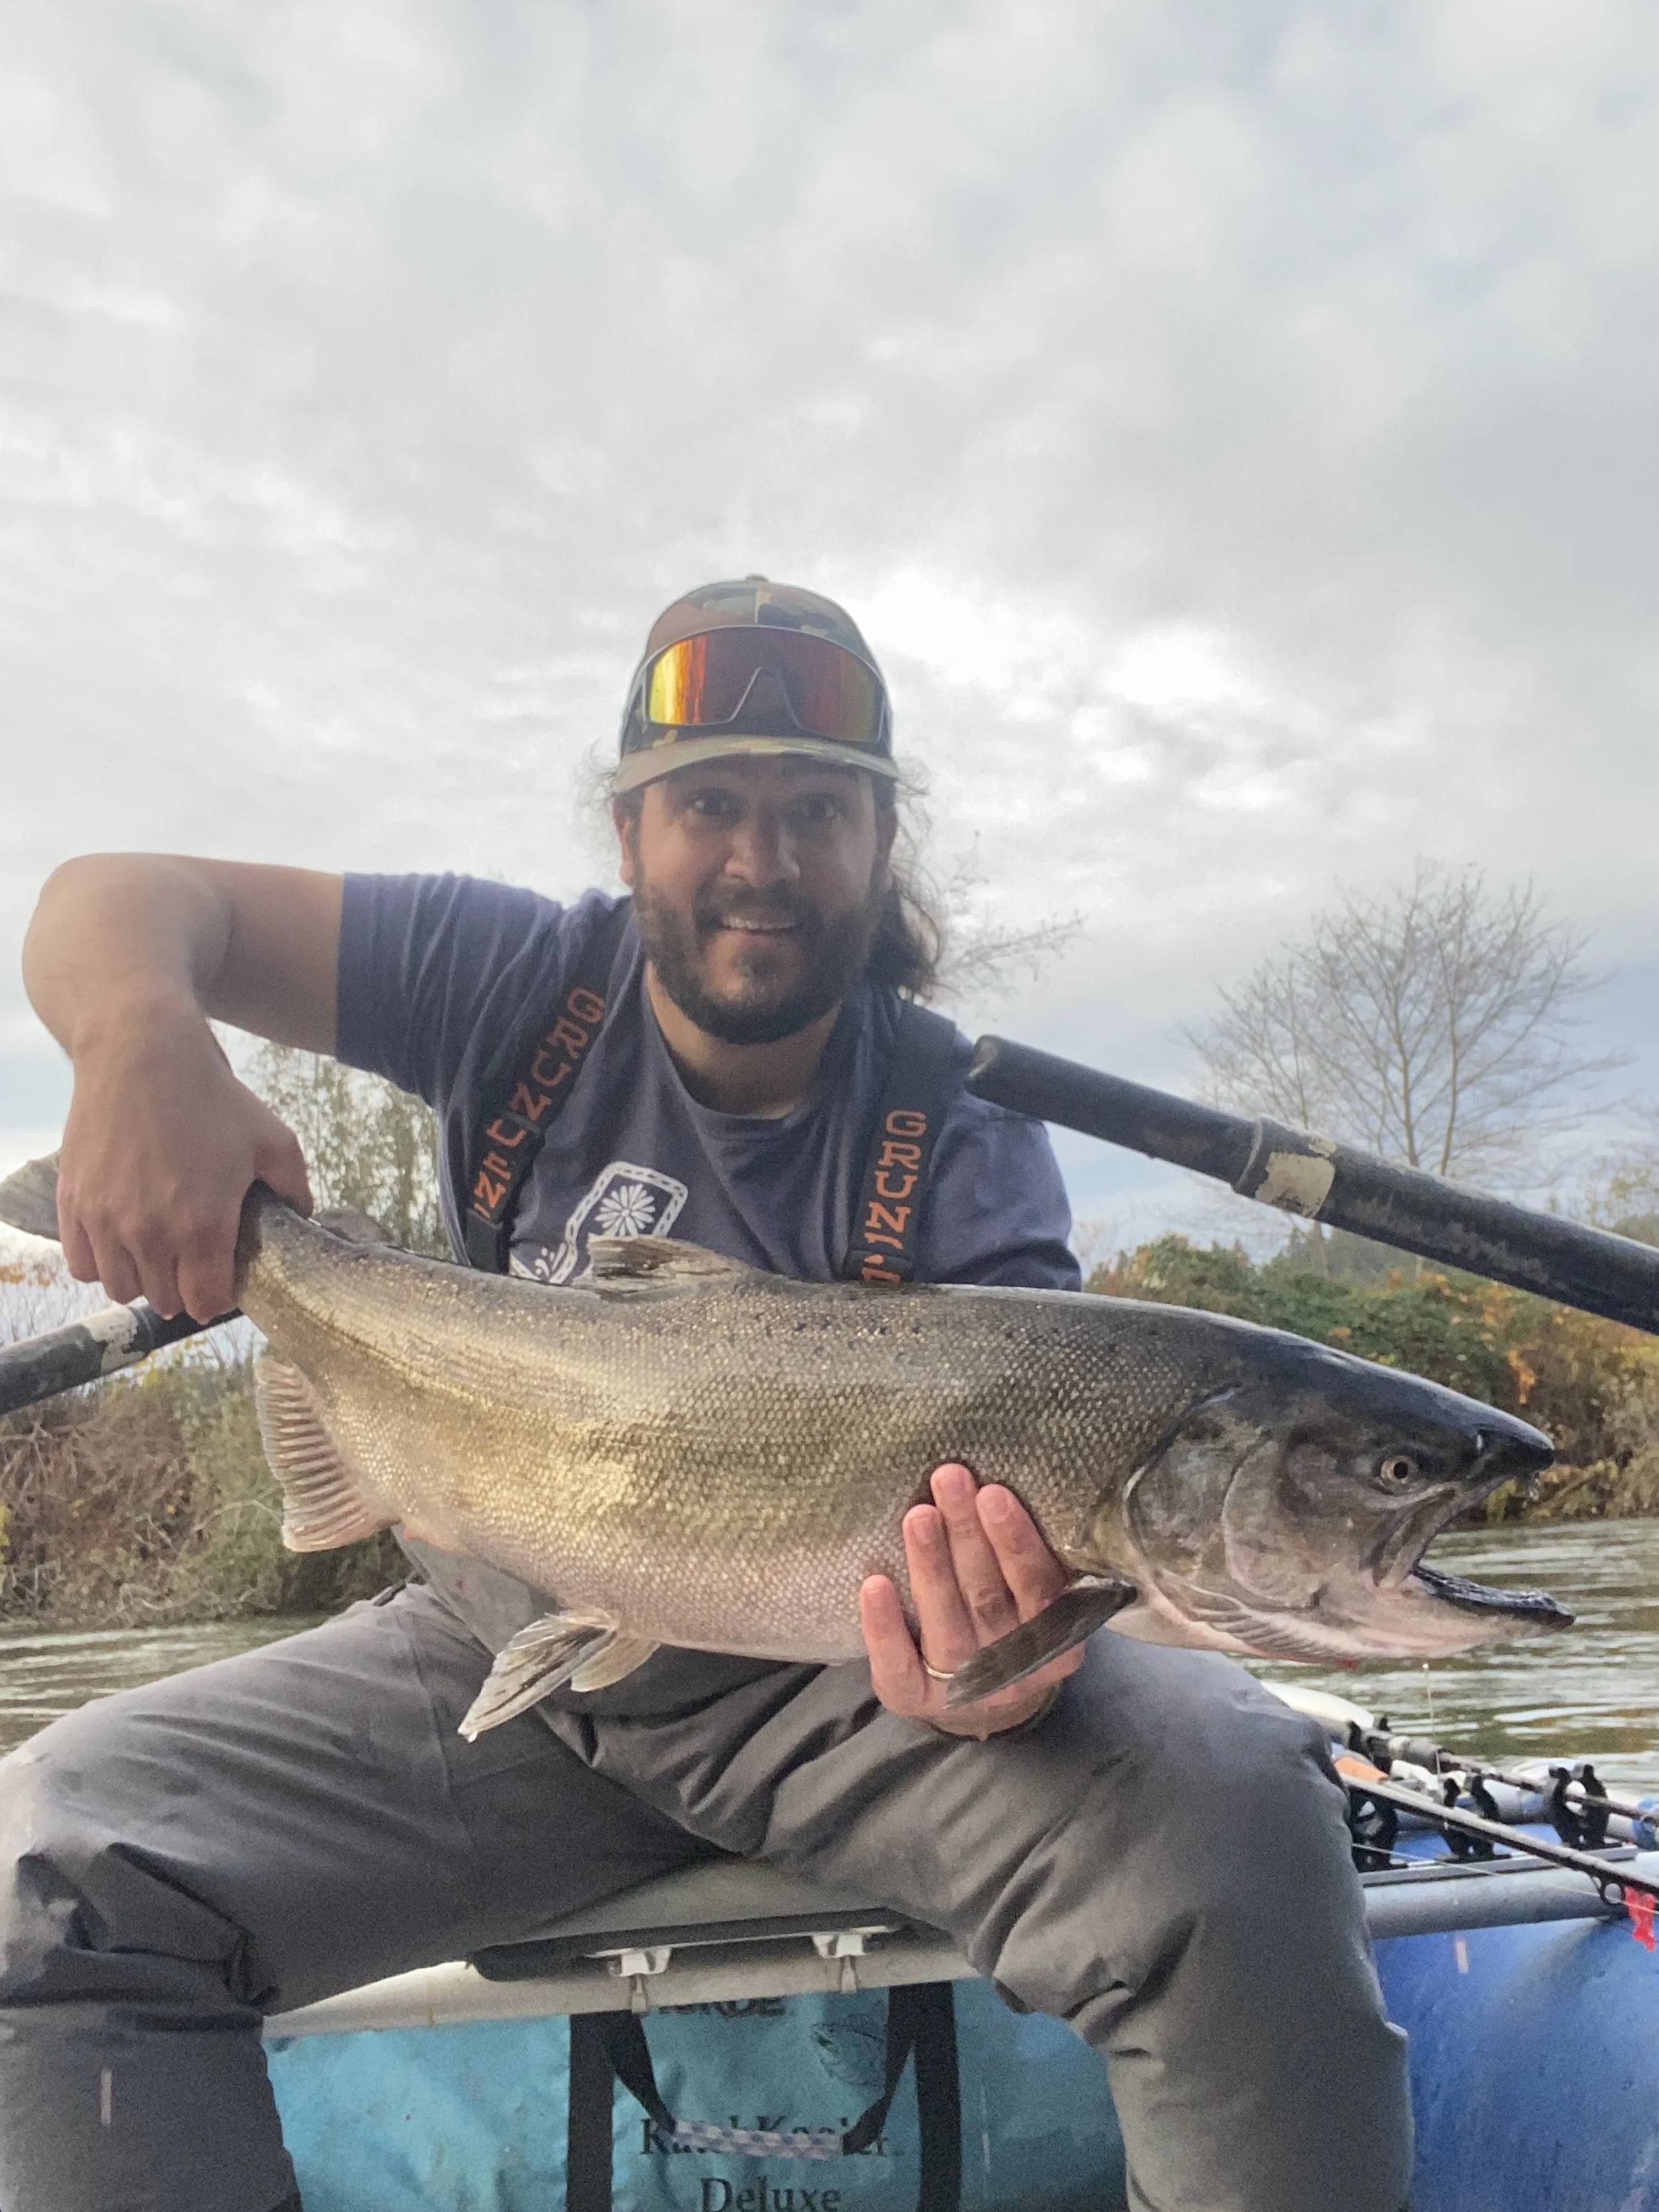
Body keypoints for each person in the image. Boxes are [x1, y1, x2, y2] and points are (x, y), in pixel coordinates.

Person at [0, 577, 1411, 2212]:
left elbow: (1027, 1564)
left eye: (817, 811)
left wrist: (996, 1668)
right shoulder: (498, 972)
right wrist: (137, 1043)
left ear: (881, 846)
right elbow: (114, 896)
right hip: (493, 1639)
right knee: (53, 1869)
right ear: (627, 833)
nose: (762, 858)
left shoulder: (964, 1134)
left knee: (1235, 1825)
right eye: (711, 805)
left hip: (844, 1691)